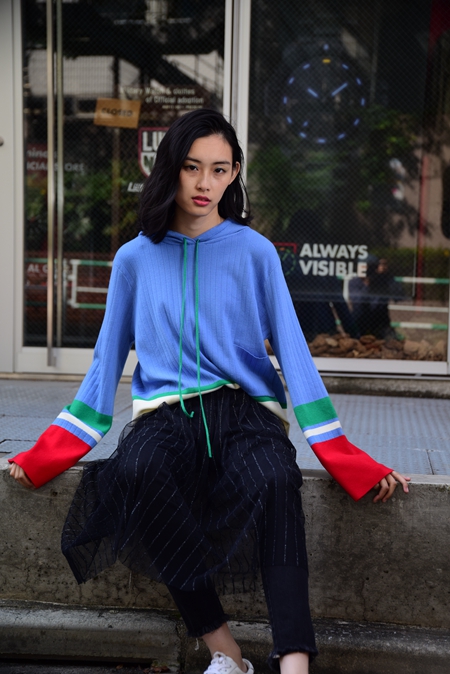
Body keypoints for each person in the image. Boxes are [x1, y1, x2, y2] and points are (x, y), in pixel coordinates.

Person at [9, 109, 410, 674]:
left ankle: (295, 661)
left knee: (275, 478)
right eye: (191, 167)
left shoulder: (255, 252)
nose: (204, 183)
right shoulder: (134, 258)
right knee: (139, 470)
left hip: (246, 413)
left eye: (219, 170)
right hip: (166, 415)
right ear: (170, 168)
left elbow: (294, 354)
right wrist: (46, 453)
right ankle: (226, 652)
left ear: (234, 173)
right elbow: (105, 363)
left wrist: (347, 458)